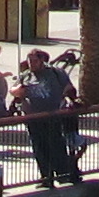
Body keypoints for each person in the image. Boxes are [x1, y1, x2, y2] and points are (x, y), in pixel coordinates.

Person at [17, 47, 80, 186]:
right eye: (29, 61)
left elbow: (69, 88)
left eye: (34, 61)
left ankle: (64, 175)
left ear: (42, 61)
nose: (31, 64)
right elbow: (15, 90)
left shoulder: (56, 73)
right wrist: (18, 92)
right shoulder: (26, 76)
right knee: (39, 148)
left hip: (53, 116)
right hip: (33, 118)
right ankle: (46, 177)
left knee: (56, 146)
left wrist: (68, 99)